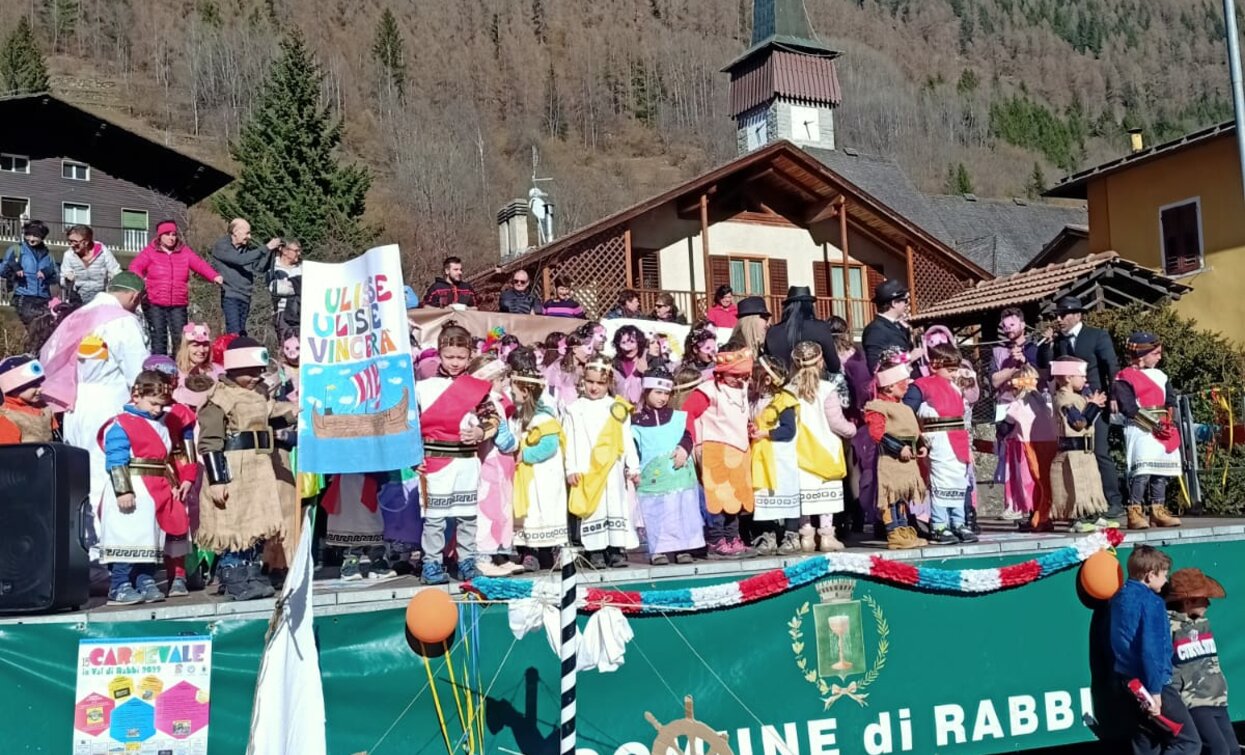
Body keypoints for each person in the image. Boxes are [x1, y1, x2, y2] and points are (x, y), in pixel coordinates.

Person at [41, 272, 151, 528]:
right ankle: (105, 546)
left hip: (75, 404)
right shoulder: (123, 321)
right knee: (106, 472)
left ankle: (82, 544)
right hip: (108, 403)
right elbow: (139, 374)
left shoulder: (79, 316)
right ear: (135, 296)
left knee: (79, 476)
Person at [197, 338, 295, 601]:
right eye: (249, 373)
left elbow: (270, 412)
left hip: (258, 467)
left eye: (258, 372)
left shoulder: (259, 394)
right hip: (233, 467)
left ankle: (252, 572)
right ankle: (233, 573)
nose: (255, 378)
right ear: (234, 370)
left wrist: (296, 411)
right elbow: (210, 442)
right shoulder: (219, 397)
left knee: (256, 522)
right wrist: (218, 480)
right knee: (235, 523)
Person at [415, 324, 496, 584]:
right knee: (435, 520)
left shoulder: (476, 387)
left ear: (470, 356)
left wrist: (480, 433)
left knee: (467, 517)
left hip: (466, 461)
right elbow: (410, 426)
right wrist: (413, 460)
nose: (455, 363)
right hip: (435, 461)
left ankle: (467, 562)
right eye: (449, 357)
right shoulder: (424, 388)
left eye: (461, 357)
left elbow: (492, 418)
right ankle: (431, 564)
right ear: (439, 354)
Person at [1109, 545, 1202, 755]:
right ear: (1150, 576)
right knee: (1188, 743)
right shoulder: (1152, 603)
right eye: (1164, 575)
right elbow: (1151, 649)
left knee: (1147, 743)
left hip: (1127, 683)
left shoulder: (1118, 598)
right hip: (1152, 684)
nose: (1166, 581)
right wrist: (1155, 692)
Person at [1039, 295, 1124, 523]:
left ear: (1077, 315)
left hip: (1096, 398)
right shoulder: (1057, 341)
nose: (1059, 319)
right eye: (1057, 315)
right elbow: (1048, 367)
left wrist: (1114, 394)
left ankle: (1113, 501)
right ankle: (1082, 505)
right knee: (1075, 453)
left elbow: (1110, 365)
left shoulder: (1096, 335)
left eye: (1063, 314)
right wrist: (1047, 345)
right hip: (1071, 402)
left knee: (1099, 450)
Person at [97, 370, 179, 605]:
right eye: (152, 403)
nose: (156, 409)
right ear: (136, 395)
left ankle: (144, 578)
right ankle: (120, 583)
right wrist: (123, 490)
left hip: (154, 490)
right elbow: (116, 458)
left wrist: (172, 484)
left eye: (160, 405)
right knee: (126, 536)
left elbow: (164, 461)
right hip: (132, 486)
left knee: (149, 537)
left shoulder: (160, 425)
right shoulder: (121, 424)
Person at [563, 356, 640, 569]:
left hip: (613, 468)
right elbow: (569, 441)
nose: (594, 387)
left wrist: (632, 466)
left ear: (609, 383)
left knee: (615, 504)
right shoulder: (574, 408)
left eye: (600, 383)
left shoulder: (616, 407)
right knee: (593, 508)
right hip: (588, 467)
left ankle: (615, 549)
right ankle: (594, 550)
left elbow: (626, 438)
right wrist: (572, 468)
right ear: (583, 381)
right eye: (590, 382)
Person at [682, 346, 756, 559]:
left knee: (736, 497)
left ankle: (733, 537)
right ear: (722, 372)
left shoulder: (741, 388)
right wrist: (692, 443)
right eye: (735, 375)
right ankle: (716, 539)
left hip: (739, 449)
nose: (740, 379)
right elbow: (688, 413)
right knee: (717, 498)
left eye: (744, 375)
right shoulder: (708, 390)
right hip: (715, 448)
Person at [631, 367, 704, 565]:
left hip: (679, 475)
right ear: (646, 392)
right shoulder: (636, 422)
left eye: (666, 393)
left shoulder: (677, 417)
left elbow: (688, 436)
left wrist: (683, 449)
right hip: (653, 479)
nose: (662, 397)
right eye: (658, 392)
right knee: (657, 514)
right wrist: (633, 468)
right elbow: (633, 448)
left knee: (681, 510)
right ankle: (658, 550)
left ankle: (682, 548)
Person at [905, 342, 977, 544]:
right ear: (935, 363)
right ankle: (938, 525)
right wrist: (918, 437)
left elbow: (963, 420)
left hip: (958, 440)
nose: (954, 374)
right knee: (940, 482)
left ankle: (958, 522)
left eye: (956, 370)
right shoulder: (920, 385)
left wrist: (969, 447)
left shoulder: (956, 388)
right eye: (951, 370)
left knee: (959, 482)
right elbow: (907, 412)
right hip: (936, 441)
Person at [507, 347, 570, 570]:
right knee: (529, 512)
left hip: (543, 472)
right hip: (526, 473)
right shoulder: (515, 413)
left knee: (544, 508)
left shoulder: (543, 414)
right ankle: (528, 552)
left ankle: (547, 552)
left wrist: (526, 454)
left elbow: (550, 445)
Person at [789, 341, 855, 552]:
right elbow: (836, 422)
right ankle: (827, 535)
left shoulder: (788, 390)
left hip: (799, 451)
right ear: (820, 362)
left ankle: (806, 536)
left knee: (804, 495)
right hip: (826, 448)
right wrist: (851, 429)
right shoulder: (827, 389)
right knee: (826, 495)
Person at [1113, 333, 1182, 530]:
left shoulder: (1161, 376)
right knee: (1142, 470)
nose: (1159, 357)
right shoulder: (1124, 376)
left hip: (1163, 427)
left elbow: (1170, 400)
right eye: (1156, 353)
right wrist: (1152, 424)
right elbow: (1128, 406)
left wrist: (1170, 422)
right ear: (1142, 354)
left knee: (1161, 470)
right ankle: (1135, 511)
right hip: (1140, 427)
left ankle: (1157, 510)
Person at [1166, 568, 1237, 755]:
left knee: (1233, 750)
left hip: (1218, 699)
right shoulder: (1168, 626)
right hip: (1193, 702)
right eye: (1203, 598)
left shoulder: (1204, 623)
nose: (1208, 603)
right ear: (1187, 601)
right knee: (1218, 749)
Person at [130, 220, 223, 355]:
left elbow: (199, 264)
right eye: (167, 234)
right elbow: (135, 267)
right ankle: (159, 368)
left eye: (174, 234)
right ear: (160, 236)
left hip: (178, 302)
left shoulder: (184, 251)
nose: (171, 238)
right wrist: (140, 283)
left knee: (180, 338)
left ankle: (179, 368)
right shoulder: (150, 252)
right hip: (154, 302)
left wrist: (214, 276)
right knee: (158, 337)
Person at [863, 358, 928, 550]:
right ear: (890, 386)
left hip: (908, 463)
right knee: (892, 496)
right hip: (892, 461)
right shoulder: (878, 407)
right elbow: (878, 433)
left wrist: (920, 444)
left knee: (902, 497)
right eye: (903, 382)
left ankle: (904, 529)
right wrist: (898, 447)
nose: (907, 385)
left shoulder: (905, 407)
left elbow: (912, 431)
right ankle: (894, 532)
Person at [470, 354, 523, 576]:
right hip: (491, 464)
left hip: (501, 468)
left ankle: (498, 554)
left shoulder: (497, 402)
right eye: (503, 379)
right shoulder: (489, 403)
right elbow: (503, 440)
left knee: (500, 508)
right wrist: (517, 442)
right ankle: (483, 555)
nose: (507, 384)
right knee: (488, 508)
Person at [1049, 357, 1111, 532]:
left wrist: (1093, 405)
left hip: (1086, 452)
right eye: (1081, 376)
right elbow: (1078, 423)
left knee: (1092, 483)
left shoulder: (1078, 397)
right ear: (1068, 377)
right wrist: (1093, 406)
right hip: (1072, 452)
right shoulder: (1063, 399)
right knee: (1074, 486)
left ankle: (1093, 513)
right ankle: (1077, 518)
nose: (1085, 380)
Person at [749, 354, 802, 555]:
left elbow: (789, 431)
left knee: (785, 493)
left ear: (768, 379)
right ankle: (768, 535)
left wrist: (766, 433)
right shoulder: (755, 400)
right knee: (763, 496)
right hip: (761, 456)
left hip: (780, 457)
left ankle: (791, 535)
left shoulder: (784, 401)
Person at [999, 365, 1056, 532]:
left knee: (1033, 484)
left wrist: (999, 435)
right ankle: (1044, 516)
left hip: (1028, 445)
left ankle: (1036, 517)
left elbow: (1005, 427)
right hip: (1050, 444)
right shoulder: (1046, 403)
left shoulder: (1018, 405)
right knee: (1045, 483)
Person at [211, 218, 283, 335]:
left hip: (245, 296)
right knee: (234, 333)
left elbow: (259, 267)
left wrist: (271, 252)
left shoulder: (245, 249)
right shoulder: (222, 246)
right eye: (247, 233)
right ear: (235, 231)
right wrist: (266, 247)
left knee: (242, 333)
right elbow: (240, 260)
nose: (249, 237)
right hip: (230, 296)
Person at [765, 286, 842, 374]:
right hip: (813, 384)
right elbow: (834, 366)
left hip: (782, 385)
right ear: (810, 306)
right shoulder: (821, 328)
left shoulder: (772, 332)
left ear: (787, 307)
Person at [2, 220, 59, 328]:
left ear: (42, 237)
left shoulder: (48, 254)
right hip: (22, 296)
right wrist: (14, 267)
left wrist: (47, 272)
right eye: (29, 235)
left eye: (36, 236)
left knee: (44, 330)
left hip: (43, 298)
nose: (31, 239)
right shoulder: (16, 250)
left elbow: (56, 276)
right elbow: (3, 271)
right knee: (29, 328)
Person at [861, 279, 919, 373]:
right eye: (905, 300)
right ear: (894, 303)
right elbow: (876, 367)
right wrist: (910, 357)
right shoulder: (875, 331)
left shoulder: (898, 326)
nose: (907, 304)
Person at [60, 225, 121, 305]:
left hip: (100, 299)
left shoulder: (103, 252)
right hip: (78, 300)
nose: (71, 245)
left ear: (86, 242)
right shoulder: (68, 255)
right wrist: (66, 279)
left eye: (75, 242)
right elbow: (62, 281)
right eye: (69, 241)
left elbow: (116, 272)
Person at [0, 355, 54, 444]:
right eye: (34, 385)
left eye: (39, 384)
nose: (40, 389)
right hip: (24, 457)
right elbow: (8, 453)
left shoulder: (43, 408)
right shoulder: (7, 417)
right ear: (15, 389)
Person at [267, 239, 303, 326]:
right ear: (285, 251)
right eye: (296, 251)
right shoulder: (273, 268)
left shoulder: (302, 268)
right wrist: (299, 286)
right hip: (282, 313)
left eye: (300, 251)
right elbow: (275, 288)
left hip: (302, 313)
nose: (299, 254)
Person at [612, 324, 648, 405]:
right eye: (623, 342)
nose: (628, 347)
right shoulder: (613, 366)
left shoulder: (648, 362)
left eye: (632, 342)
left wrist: (646, 373)